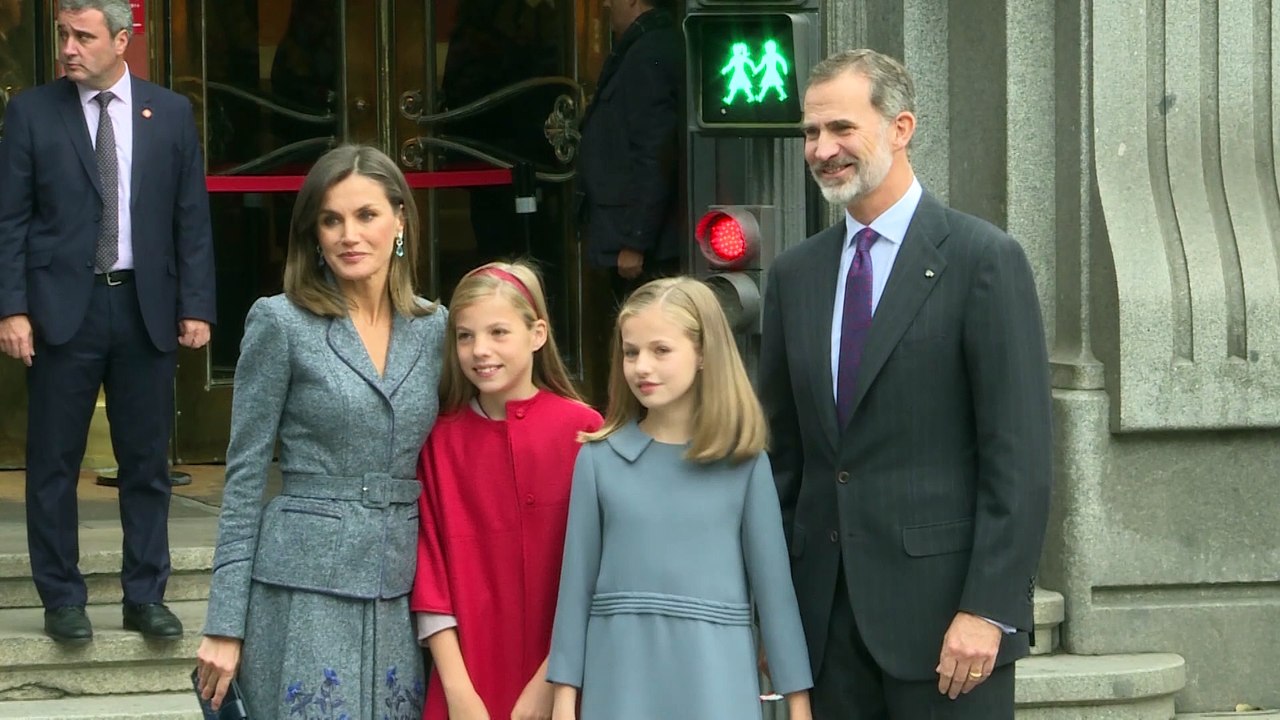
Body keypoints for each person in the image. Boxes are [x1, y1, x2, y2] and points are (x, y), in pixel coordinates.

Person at [758, 49, 1053, 719]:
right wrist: (777, 615)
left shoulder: (983, 261)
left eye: (840, 128)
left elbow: (1020, 460)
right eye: (810, 132)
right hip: (826, 635)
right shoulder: (794, 277)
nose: (822, 149)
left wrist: (989, 609)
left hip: (949, 634)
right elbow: (783, 462)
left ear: (901, 127)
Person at [195, 145, 446, 720]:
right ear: (313, 233)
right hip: (299, 588)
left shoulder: (437, 328)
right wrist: (224, 624)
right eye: (331, 220)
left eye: (366, 215)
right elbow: (244, 478)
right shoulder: (280, 321)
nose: (348, 235)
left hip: (402, 586)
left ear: (400, 220)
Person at [0, 0, 216, 643]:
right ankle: (62, 597)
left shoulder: (170, 112)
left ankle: (145, 595)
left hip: (143, 307)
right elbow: (9, 221)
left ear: (122, 41)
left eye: (84, 37)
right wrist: (12, 307)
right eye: (63, 35)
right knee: (53, 463)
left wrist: (197, 305)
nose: (68, 47)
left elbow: (191, 218)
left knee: (146, 463)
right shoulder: (31, 112)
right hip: (63, 308)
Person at [548, 277, 814, 720]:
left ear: (705, 354)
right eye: (631, 352)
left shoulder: (744, 465)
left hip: (716, 682)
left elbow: (776, 597)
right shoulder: (599, 460)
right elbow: (575, 590)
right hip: (619, 683)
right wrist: (563, 699)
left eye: (661, 350)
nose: (641, 367)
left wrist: (799, 705)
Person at [412, 260, 602, 720]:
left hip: (569, 683)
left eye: (499, 333)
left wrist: (551, 681)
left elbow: (600, 570)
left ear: (537, 334)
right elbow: (428, 569)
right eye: (465, 336)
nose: (480, 350)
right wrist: (458, 691)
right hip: (467, 682)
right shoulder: (438, 441)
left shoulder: (585, 432)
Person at [577, 0, 682, 302]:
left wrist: (636, 241)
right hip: (634, 238)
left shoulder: (649, 52)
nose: (606, 4)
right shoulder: (640, 47)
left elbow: (655, 152)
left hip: (646, 250)